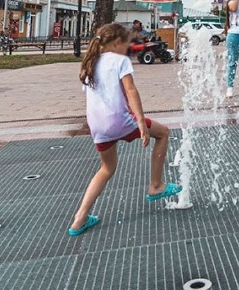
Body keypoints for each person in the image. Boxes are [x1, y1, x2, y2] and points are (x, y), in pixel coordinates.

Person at [69, 23, 181, 237]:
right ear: (118, 42)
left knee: (106, 169)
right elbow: (130, 90)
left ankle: (79, 219)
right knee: (163, 133)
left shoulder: (89, 63)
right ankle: (156, 185)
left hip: (98, 126)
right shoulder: (120, 60)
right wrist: (140, 122)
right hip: (119, 121)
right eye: (127, 44)